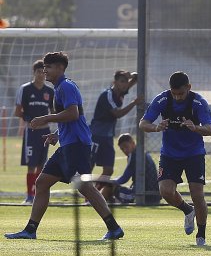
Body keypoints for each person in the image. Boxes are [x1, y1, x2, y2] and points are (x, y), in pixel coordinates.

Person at [5, 52, 124, 240]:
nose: (45, 71)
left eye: (49, 67)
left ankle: (114, 227)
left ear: (60, 68)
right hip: (68, 145)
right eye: (44, 67)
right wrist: (57, 134)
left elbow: (73, 114)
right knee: (42, 182)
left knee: (85, 188)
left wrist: (45, 118)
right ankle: (30, 230)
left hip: (77, 146)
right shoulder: (60, 87)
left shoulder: (66, 87)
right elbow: (70, 119)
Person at [139, 72, 211, 246]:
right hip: (170, 154)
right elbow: (143, 123)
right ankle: (188, 211)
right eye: (174, 94)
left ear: (189, 87)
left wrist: (195, 127)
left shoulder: (198, 102)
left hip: (194, 154)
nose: (177, 97)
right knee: (165, 191)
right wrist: (157, 127)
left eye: (180, 93)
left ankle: (201, 234)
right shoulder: (162, 100)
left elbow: (209, 129)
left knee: (197, 195)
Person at [15, 59, 54, 204]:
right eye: (38, 72)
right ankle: (29, 196)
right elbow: (17, 111)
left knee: (41, 165)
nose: (41, 75)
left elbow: (54, 111)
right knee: (31, 165)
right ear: (34, 73)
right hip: (31, 132)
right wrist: (31, 120)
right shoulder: (25, 89)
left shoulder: (50, 91)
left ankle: (39, 195)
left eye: (43, 72)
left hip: (45, 133)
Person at [90, 70, 141, 176]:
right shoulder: (107, 95)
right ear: (115, 82)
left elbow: (137, 77)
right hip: (96, 135)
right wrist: (134, 103)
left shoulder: (121, 91)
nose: (125, 84)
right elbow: (117, 114)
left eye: (126, 81)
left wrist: (130, 75)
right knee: (88, 167)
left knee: (109, 170)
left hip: (108, 136)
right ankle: (81, 191)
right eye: (122, 81)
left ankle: (98, 192)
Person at [100, 133, 161, 206]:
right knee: (113, 192)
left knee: (109, 187)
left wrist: (109, 181)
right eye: (122, 149)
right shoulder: (142, 153)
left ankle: (94, 203)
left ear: (133, 143)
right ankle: (103, 203)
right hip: (154, 196)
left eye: (126, 146)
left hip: (142, 196)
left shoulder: (134, 155)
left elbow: (124, 179)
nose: (125, 150)